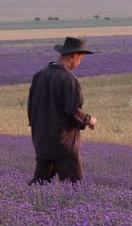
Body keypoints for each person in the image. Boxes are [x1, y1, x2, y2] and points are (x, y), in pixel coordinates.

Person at [27, 37, 98, 185]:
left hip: (41, 140)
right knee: (74, 185)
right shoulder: (69, 79)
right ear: (74, 55)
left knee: (40, 183)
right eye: (80, 58)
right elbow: (72, 110)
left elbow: (31, 107)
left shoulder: (39, 75)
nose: (79, 63)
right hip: (64, 142)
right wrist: (89, 119)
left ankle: (23, 206)